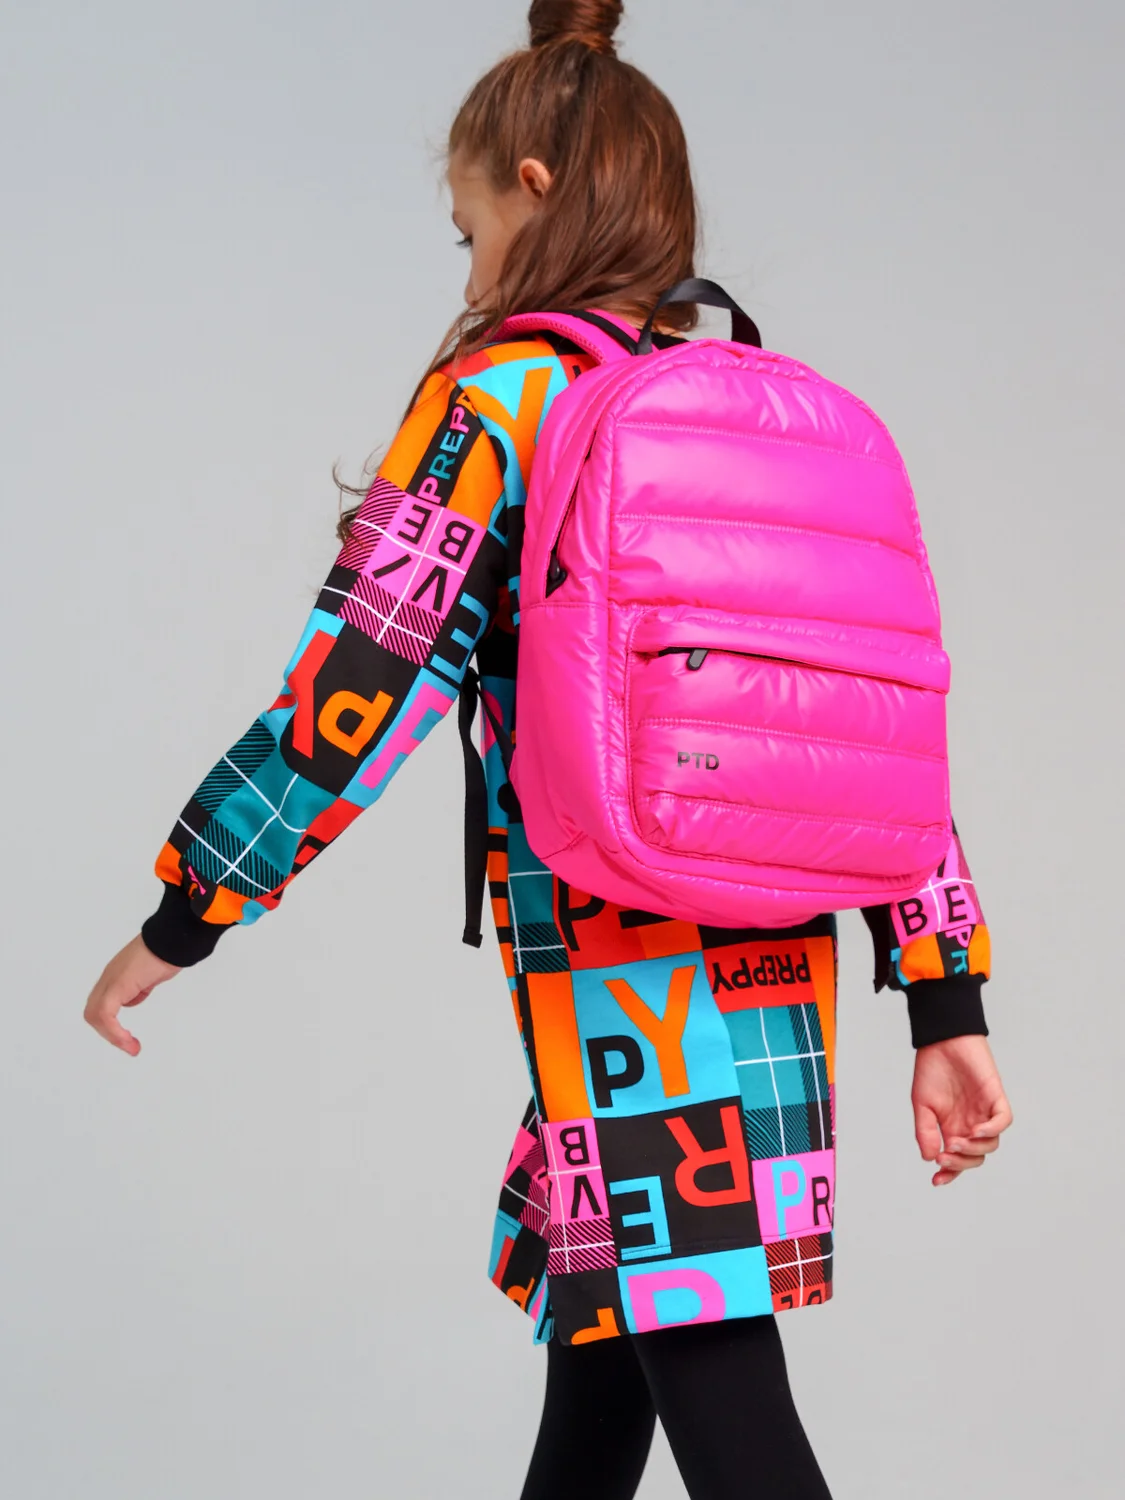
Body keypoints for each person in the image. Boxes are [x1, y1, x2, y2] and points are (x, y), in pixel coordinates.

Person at [84, 2, 1013, 1496]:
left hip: (616, 949)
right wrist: (943, 987)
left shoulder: (501, 399)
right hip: (773, 952)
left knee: (716, 1376)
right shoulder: (757, 408)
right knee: (609, 1358)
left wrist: (188, 911)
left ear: (531, 189)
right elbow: (869, 728)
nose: (467, 275)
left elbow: (361, 682)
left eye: (467, 236)